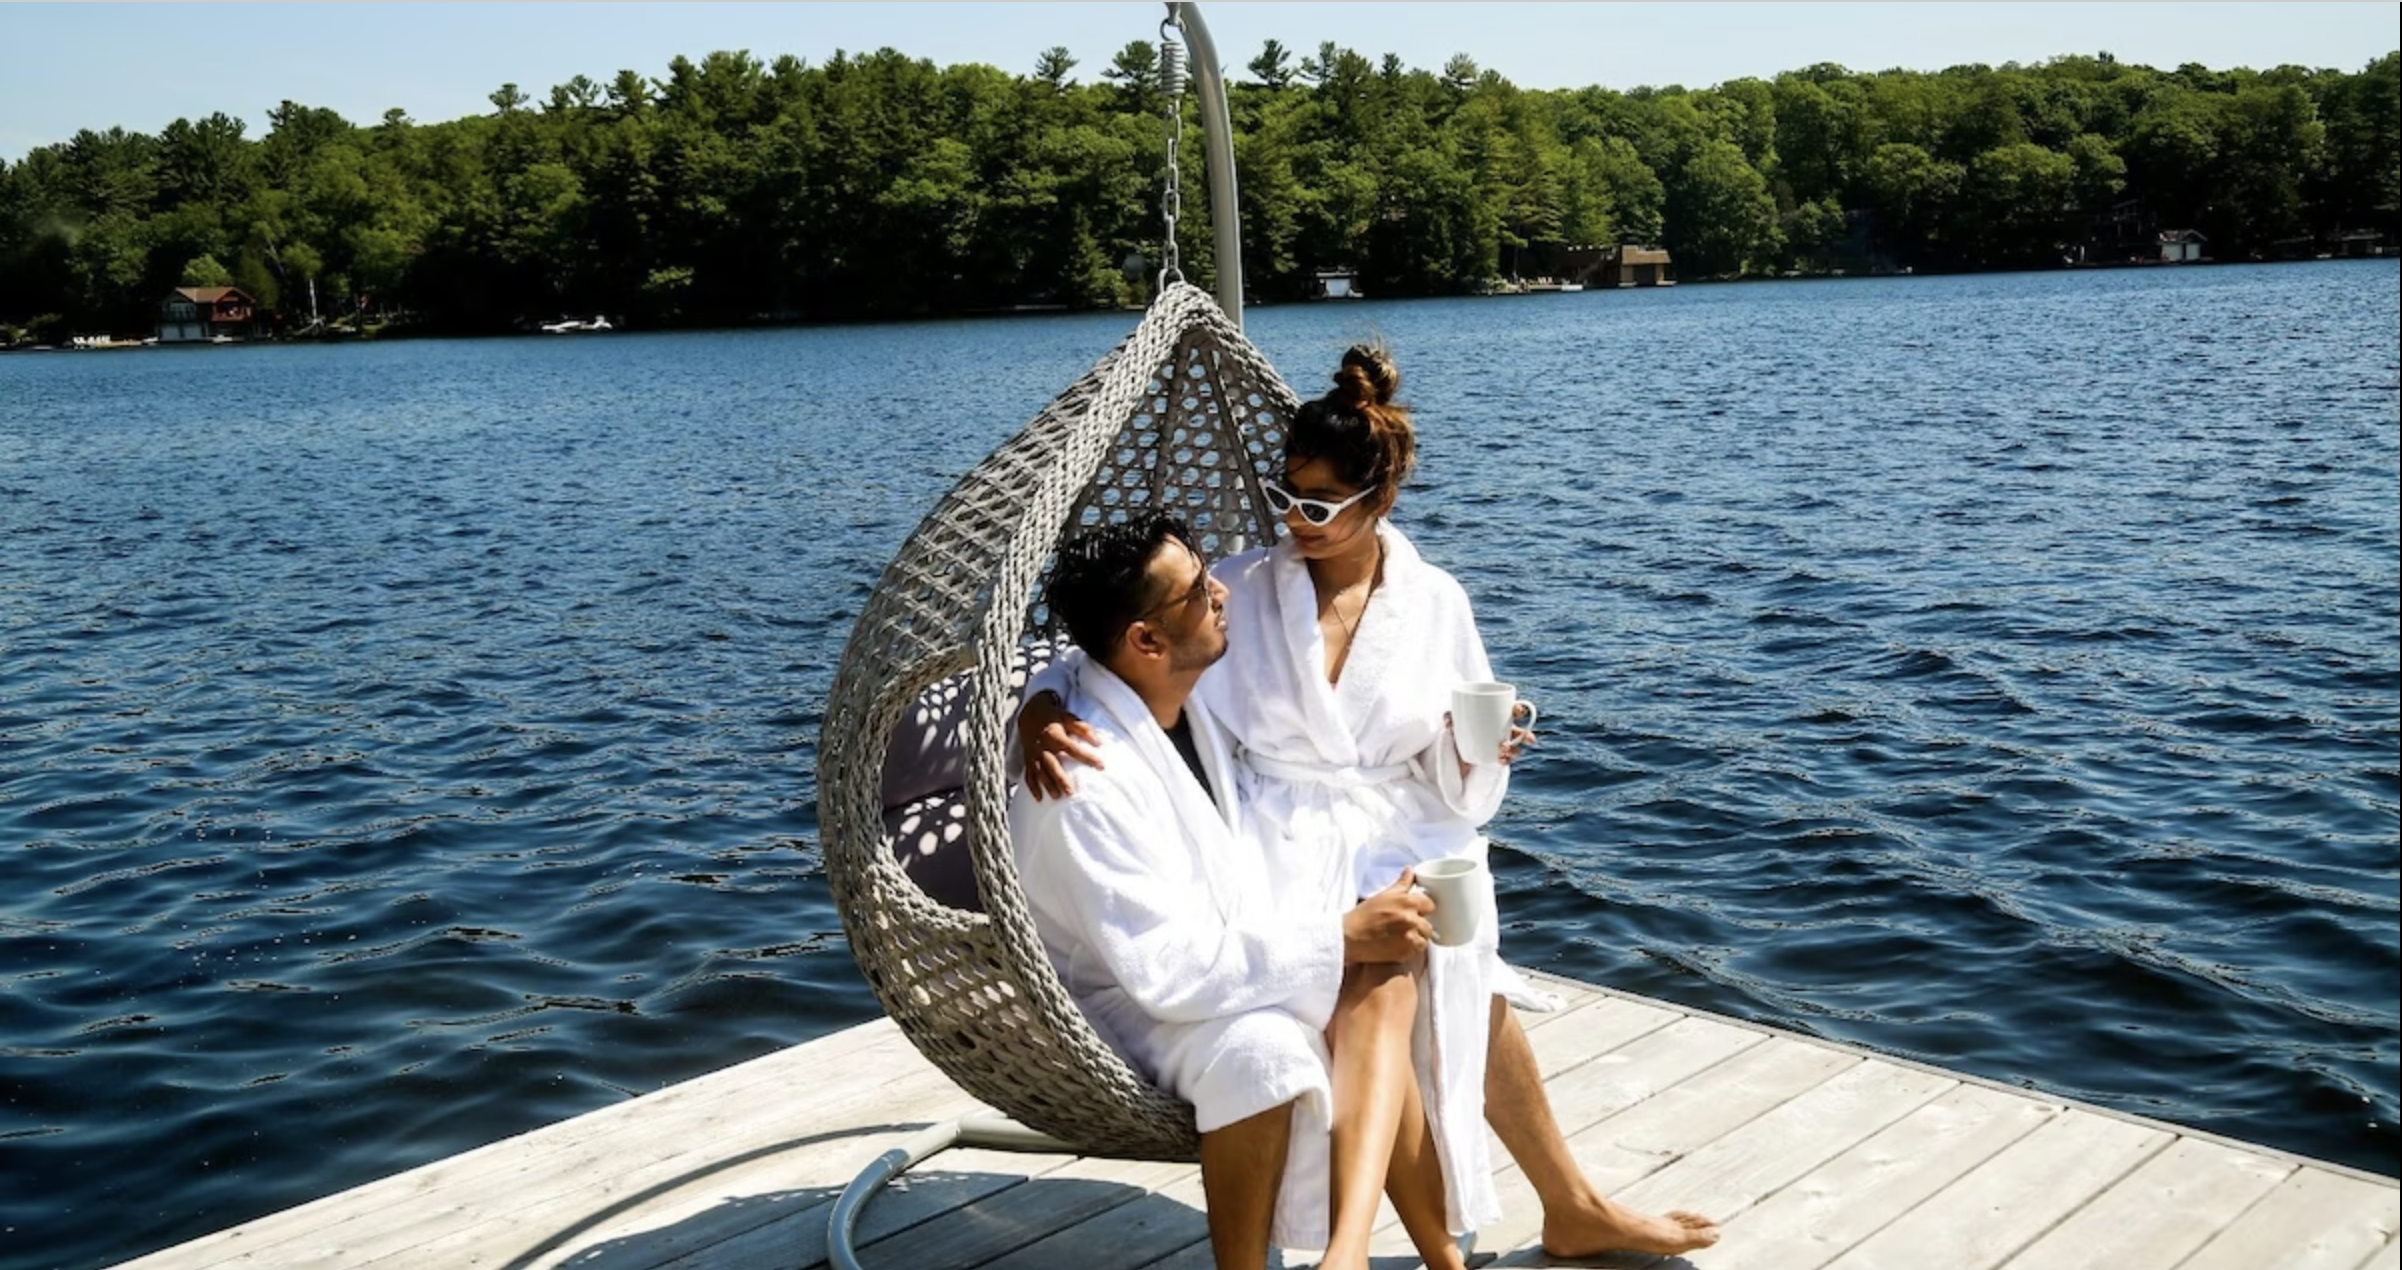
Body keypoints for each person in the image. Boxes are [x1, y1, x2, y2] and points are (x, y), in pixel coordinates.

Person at [1021, 344, 1720, 1261]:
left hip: (1399, 827)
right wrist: (1038, 708)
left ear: (1376, 500)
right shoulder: (1241, 586)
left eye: (1318, 505)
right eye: (1286, 498)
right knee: (1395, 977)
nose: (1295, 523)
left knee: (1463, 976)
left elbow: (1454, 774)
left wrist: (1479, 748)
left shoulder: (1435, 605)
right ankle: (1470, 1233)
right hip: (1279, 845)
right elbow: (1106, 648)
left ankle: (1555, 1205)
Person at [1009, 512, 1470, 1270]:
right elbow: (1164, 971)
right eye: (1195, 590)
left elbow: (1065, 667)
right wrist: (1338, 937)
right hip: (1122, 1000)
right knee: (1267, 1051)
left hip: (1213, 955)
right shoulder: (1081, 780)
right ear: (1146, 642)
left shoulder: (1186, 701)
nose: (1219, 591)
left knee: (1386, 981)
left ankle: (1421, 1258)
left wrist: (1037, 703)